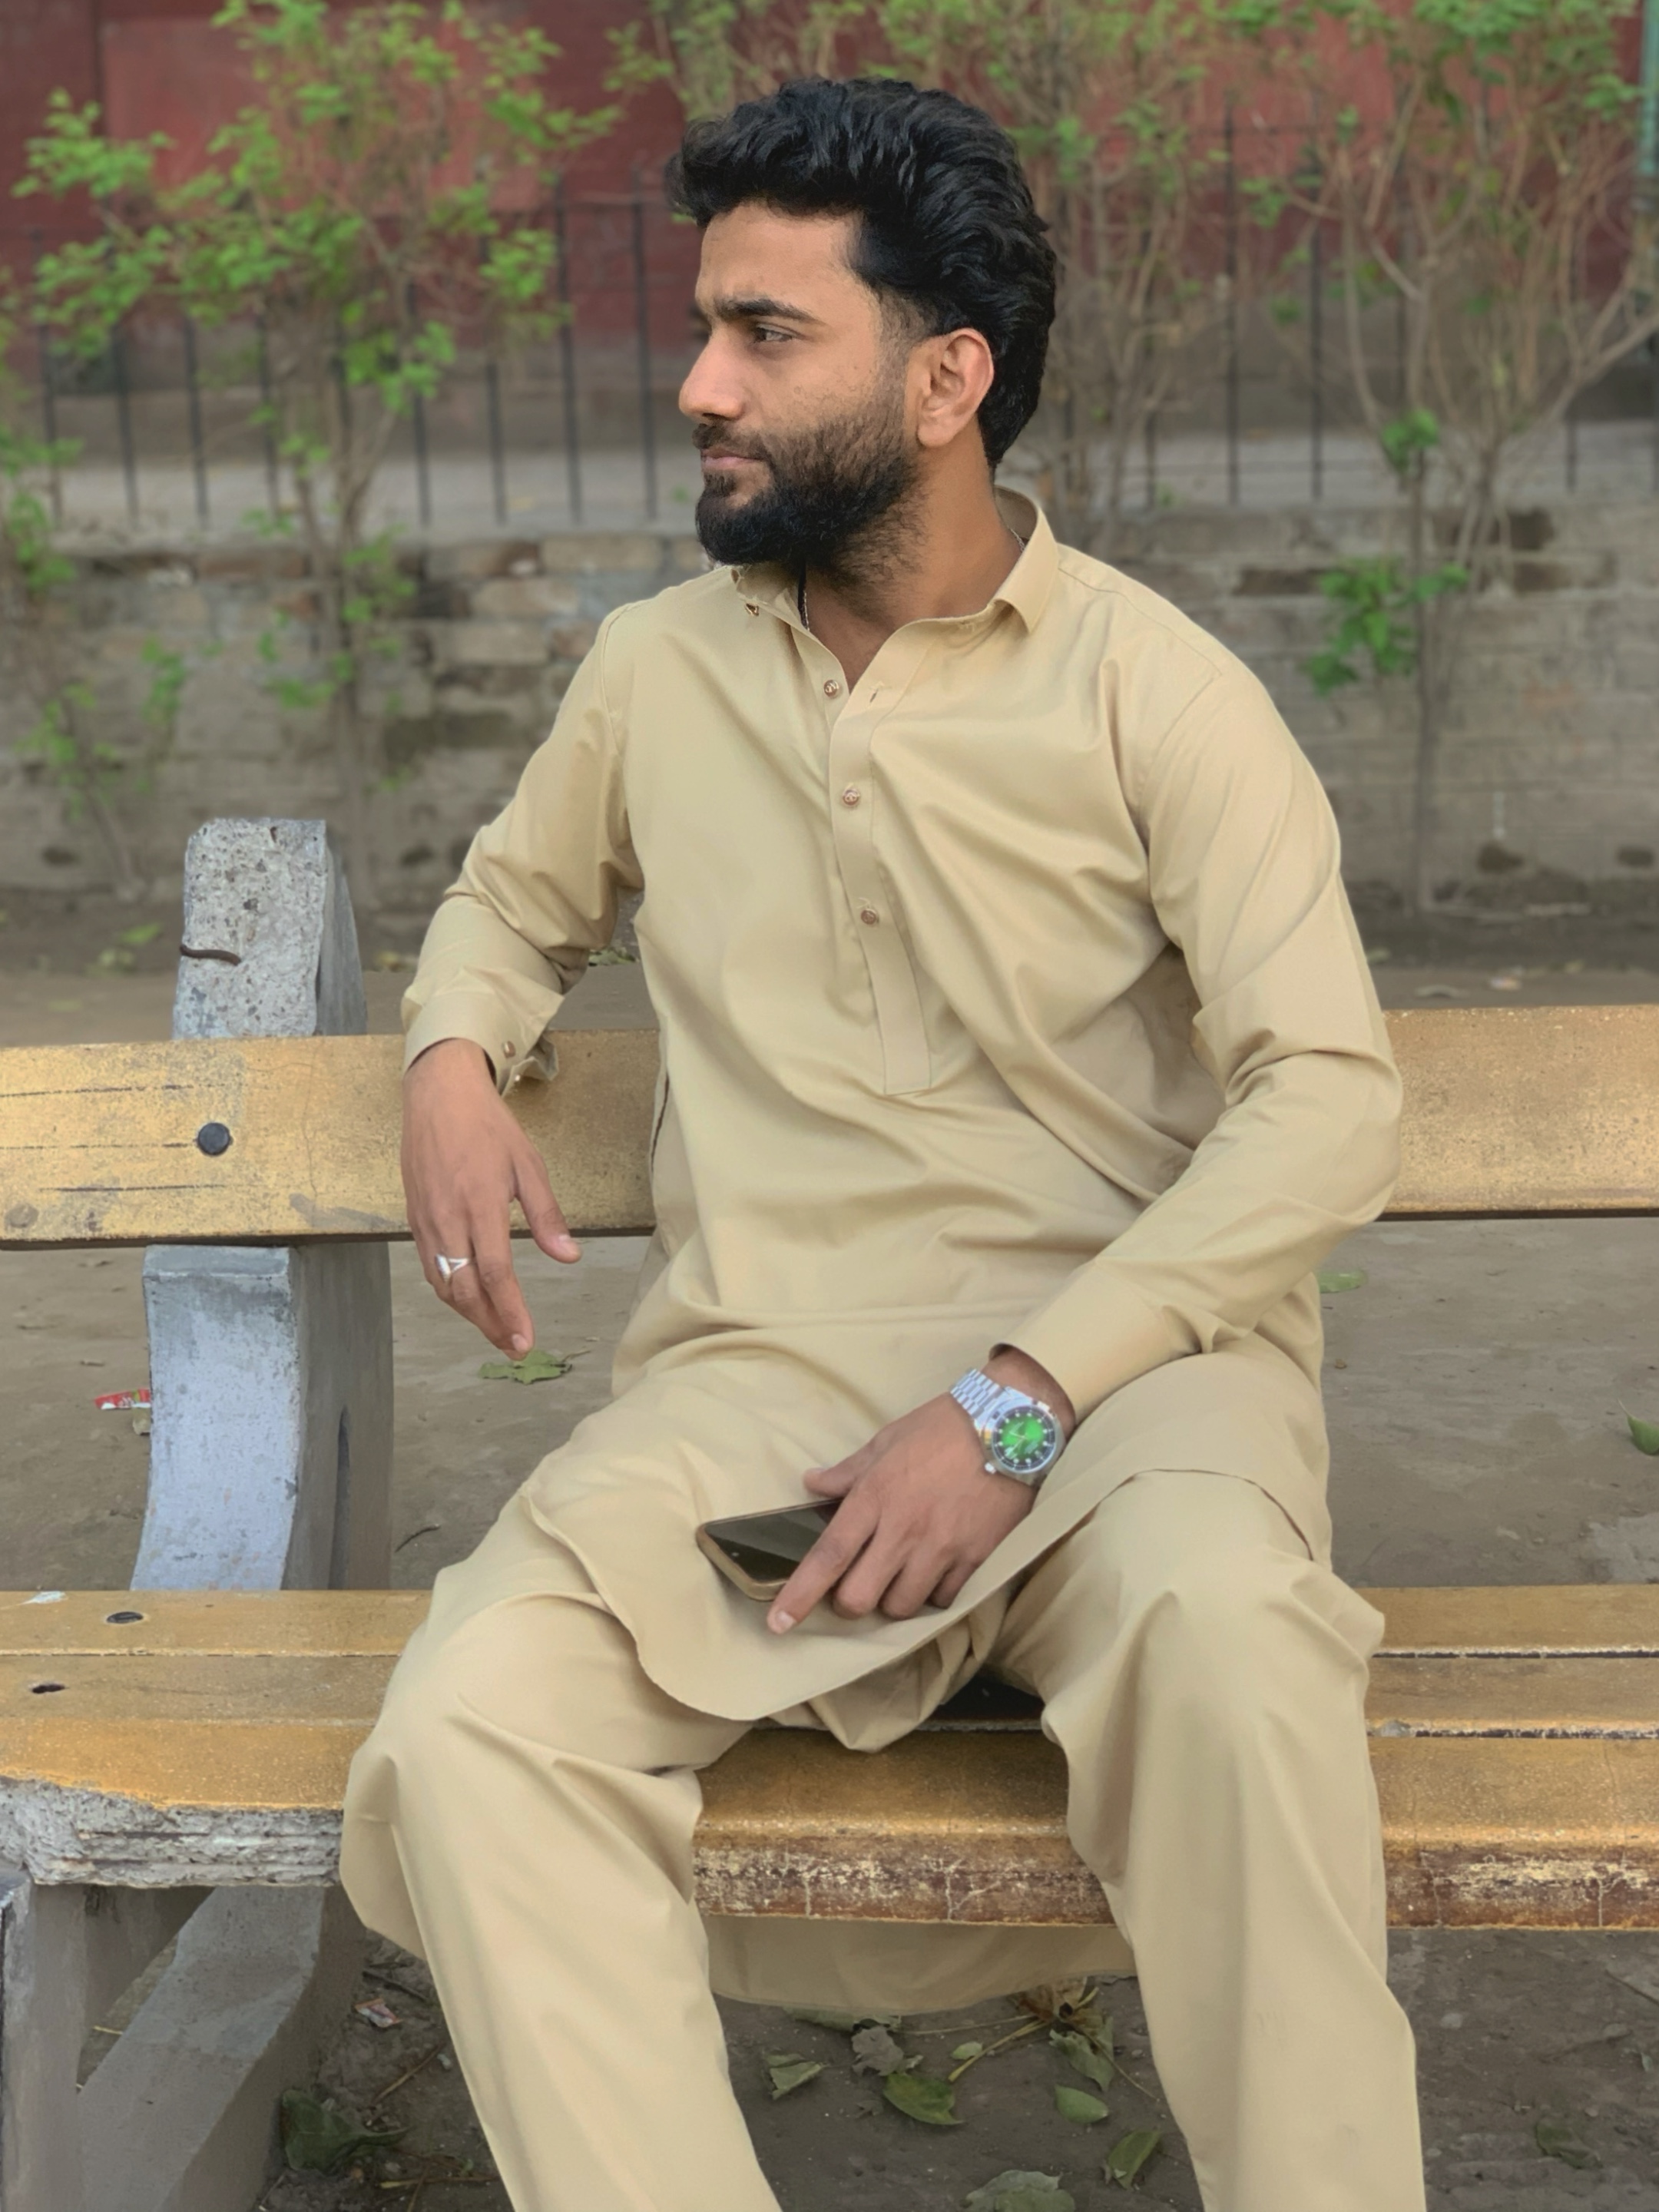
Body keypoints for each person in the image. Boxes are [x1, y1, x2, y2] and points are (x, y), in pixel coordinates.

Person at [340, 75, 1424, 2212]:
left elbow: (1332, 1100)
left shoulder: (1156, 692)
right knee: (471, 1729)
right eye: (705, 328)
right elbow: (508, 903)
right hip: (762, 1388)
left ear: (947, 381)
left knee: (1232, 1660)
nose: (699, 385)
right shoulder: (658, 672)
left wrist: (1015, 1404)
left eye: (766, 335)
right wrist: (451, 1054)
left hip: (1129, 1397)